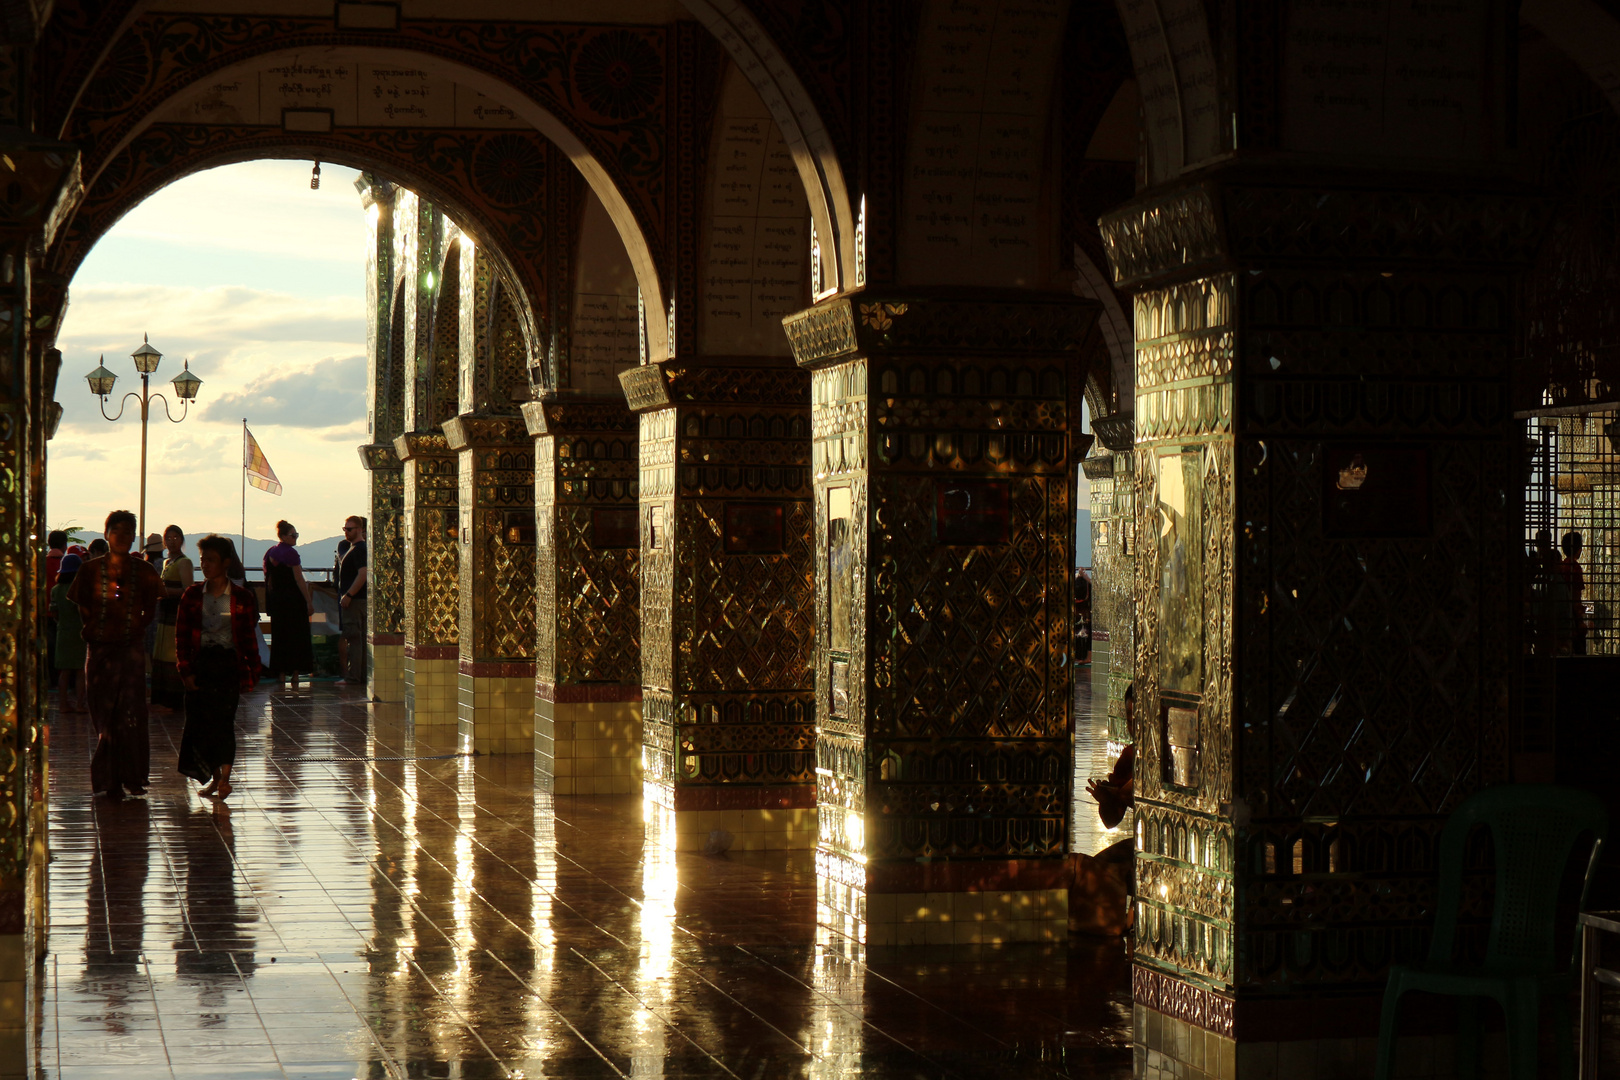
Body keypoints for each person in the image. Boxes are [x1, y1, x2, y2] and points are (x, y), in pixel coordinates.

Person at [67, 510, 165, 798]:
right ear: (107, 533)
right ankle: (108, 778)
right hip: (99, 653)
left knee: (132, 714)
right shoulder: (89, 570)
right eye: (116, 531)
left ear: (133, 536)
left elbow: (150, 608)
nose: (121, 537)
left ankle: (132, 776)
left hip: (131, 653)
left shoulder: (145, 571)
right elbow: (81, 605)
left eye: (127, 531)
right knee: (104, 715)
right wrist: (98, 629)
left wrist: (133, 627)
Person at [175, 535, 261, 799]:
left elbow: (248, 638)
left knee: (224, 723)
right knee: (202, 724)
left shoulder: (241, 597)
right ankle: (214, 777)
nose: (205, 565)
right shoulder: (192, 595)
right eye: (203, 560)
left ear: (225, 563)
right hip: (202, 666)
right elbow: (182, 634)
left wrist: (252, 673)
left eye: (210, 560)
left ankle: (225, 779)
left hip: (227, 667)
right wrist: (185, 670)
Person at [263, 520, 313, 689]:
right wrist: (308, 601)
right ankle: (296, 674)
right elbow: (299, 579)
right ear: (284, 536)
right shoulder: (291, 554)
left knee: (280, 638)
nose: (296, 538)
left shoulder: (271, 552)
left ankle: (281, 673)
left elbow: (268, 580)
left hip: (277, 601)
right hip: (293, 601)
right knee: (297, 638)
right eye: (293, 535)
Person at [150, 525, 194, 711]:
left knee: (171, 655)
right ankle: (161, 699)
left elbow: (188, 590)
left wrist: (165, 591)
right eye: (169, 538)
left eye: (176, 537)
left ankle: (173, 701)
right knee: (161, 654)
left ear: (182, 540)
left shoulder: (184, 562)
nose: (172, 541)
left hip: (175, 614)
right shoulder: (168, 563)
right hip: (164, 613)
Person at [1086, 683, 1136, 829]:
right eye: (1131, 722)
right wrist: (1105, 799)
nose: (1136, 728)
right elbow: (1111, 821)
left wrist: (1121, 793)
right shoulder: (1130, 756)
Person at [50, 553, 86, 713]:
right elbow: (83, 611)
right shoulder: (79, 588)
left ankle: (63, 704)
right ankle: (80, 704)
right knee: (80, 671)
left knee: (64, 671)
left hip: (62, 633)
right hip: (79, 633)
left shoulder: (55, 590)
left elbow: (54, 613)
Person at [336, 515, 368, 686]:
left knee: (354, 638)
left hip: (355, 602)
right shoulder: (354, 548)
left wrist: (349, 595)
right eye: (345, 529)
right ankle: (360, 675)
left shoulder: (358, 550)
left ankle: (353, 676)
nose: (346, 532)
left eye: (349, 529)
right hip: (357, 600)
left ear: (359, 530)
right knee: (358, 639)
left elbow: (363, 574)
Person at [1561, 531, 1590, 655]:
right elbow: (1576, 597)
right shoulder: (1576, 568)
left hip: (1561, 616)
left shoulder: (1560, 566)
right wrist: (1581, 620)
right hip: (1572, 617)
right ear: (1579, 549)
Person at [46, 529, 67, 680]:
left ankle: (49, 677)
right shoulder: (66, 565)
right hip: (63, 614)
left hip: (44, 613)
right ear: (64, 545)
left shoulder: (40, 563)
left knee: (47, 647)